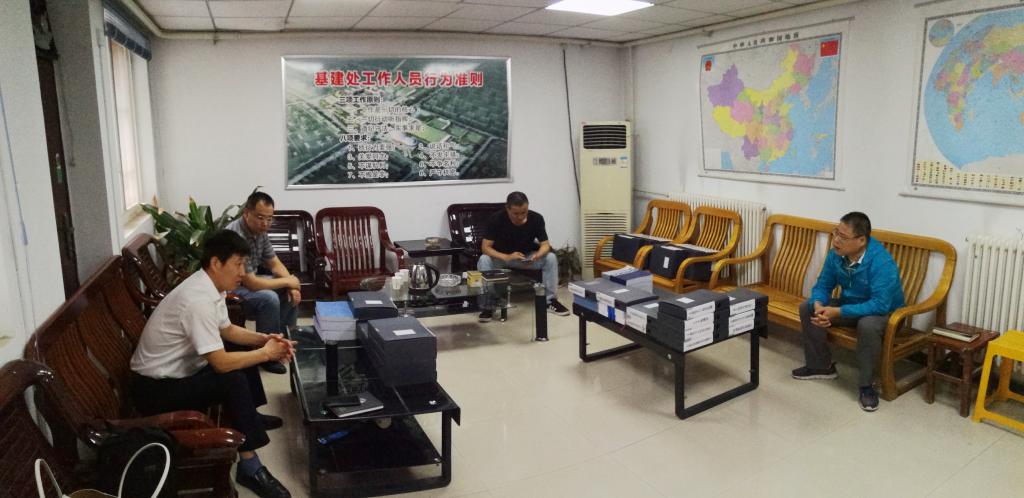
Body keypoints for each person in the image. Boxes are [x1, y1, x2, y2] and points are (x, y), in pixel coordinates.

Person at [129, 230, 296, 498]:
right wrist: (267, 354)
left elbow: (227, 330)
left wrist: (264, 340)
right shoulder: (197, 300)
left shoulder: (210, 286)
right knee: (231, 378)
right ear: (216, 263)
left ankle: (250, 416)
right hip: (155, 390)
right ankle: (251, 467)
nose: (243, 272)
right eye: (238, 264)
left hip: (179, 372)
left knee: (240, 348)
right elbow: (220, 364)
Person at [791, 212, 904, 412]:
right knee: (807, 307)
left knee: (867, 324)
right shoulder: (836, 255)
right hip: (851, 306)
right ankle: (820, 366)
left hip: (885, 314)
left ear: (861, 240)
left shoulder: (881, 262)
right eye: (836, 233)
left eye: (842, 237)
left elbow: (880, 304)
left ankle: (867, 386)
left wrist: (838, 311)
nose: (836, 240)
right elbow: (823, 285)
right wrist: (818, 305)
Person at [226, 190, 301, 374]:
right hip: (231, 288)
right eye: (260, 217)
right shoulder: (236, 236)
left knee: (289, 291)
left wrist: (291, 285)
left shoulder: (260, 232)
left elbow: (274, 263)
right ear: (246, 213)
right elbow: (251, 283)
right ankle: (267, 353)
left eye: (269, 218)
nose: (265, 223)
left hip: (248, 282)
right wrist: (289, 281)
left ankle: (284, 342)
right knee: (269, 298)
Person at [477, 191, 570, 322]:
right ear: (507, 209)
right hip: (501, 258)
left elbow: (545, 245)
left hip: (524, 258)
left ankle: (550, 301)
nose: (520, 217)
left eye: (524, 212)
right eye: (516, 213)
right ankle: (488, 305)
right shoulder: (496, 219)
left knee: (550, 258)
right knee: (484, 259)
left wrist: (537, 255)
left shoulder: (536, 218)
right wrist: (507, 257)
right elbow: (485, 248)